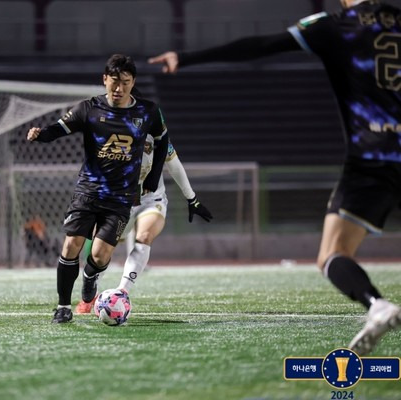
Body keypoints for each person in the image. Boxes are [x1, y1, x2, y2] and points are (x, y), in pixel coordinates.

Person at [148, 0, 401, 355]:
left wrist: (186, 58)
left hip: (372, 157)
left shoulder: (336, 25)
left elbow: (261, 46)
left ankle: (377, 304)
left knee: (332, 254)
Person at [27, 54, 169, 323]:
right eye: (114, 82)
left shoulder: (148, 111)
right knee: (71, 246)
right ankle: (62, 307)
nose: (119, 89)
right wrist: (41, 134)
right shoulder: (89, 108)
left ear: (133, 82)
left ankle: (90, 280)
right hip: (88, 191)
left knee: (100, 254)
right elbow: (60, 128)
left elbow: (162, 141)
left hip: (121, 197)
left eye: (125, 83)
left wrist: (153, 177)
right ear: (105, 80)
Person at [75, 134, 213, 314]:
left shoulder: (156, 137)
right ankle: (90, 290)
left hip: (152, 200)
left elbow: (175, 166)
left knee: (144, 236)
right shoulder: (110, 137)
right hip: (120, 203)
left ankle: (122, 292)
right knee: (101, 251)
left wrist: (191, 198)